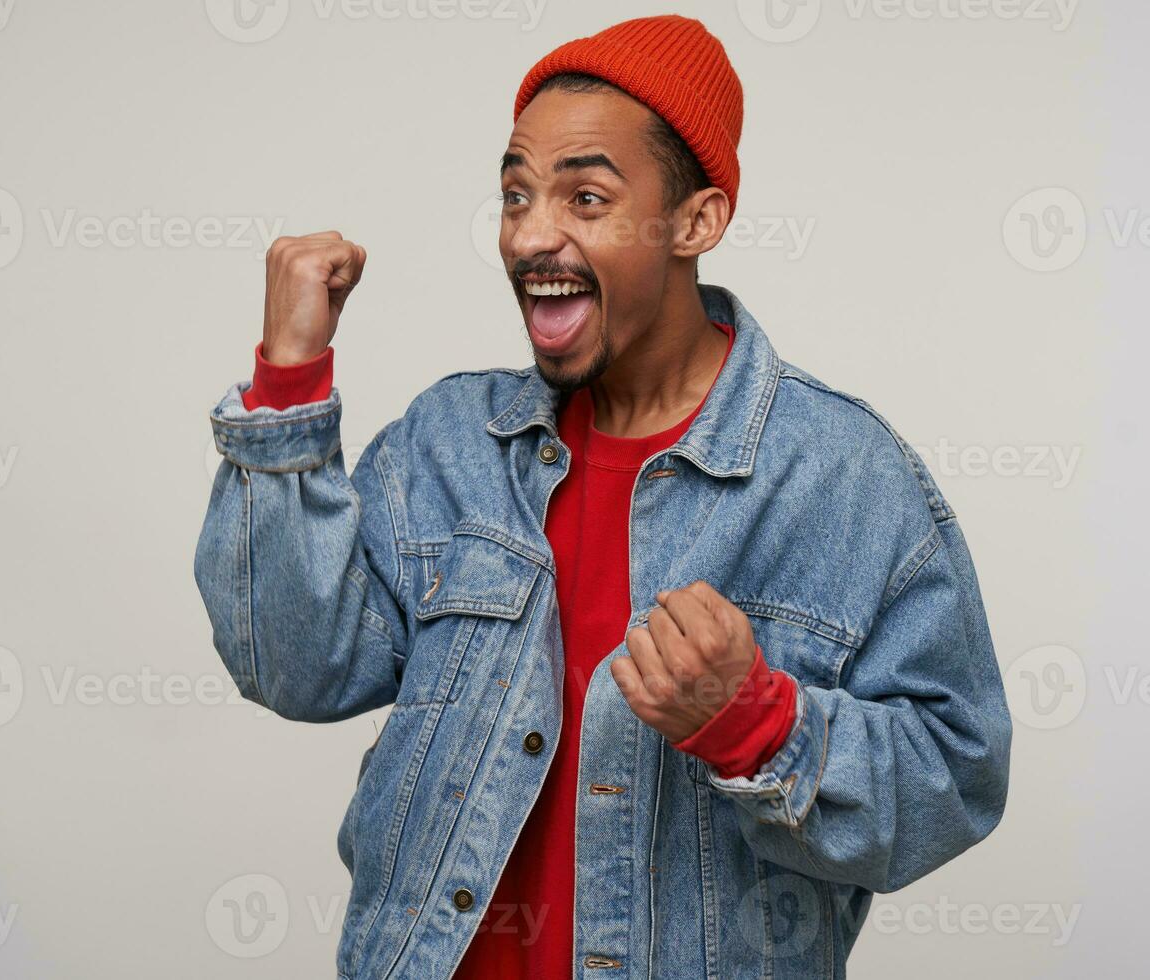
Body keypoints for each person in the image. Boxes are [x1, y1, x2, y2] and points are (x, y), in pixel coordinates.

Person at [195, 14, 1011, 978]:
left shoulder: (843, 475)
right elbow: (297, 666)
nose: (533, 234)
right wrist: (291, 380)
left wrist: (758, 726)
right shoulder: (450, 445)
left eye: (586, 196)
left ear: (696, 221)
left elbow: (957, 779)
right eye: (515, 194)